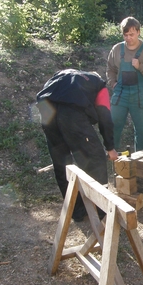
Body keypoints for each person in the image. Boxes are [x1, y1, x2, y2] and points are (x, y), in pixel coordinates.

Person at [36, 69, 119, 221]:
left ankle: (77, 210)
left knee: (62, 163)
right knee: (94, 158)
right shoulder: (99, 84)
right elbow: (105, 116)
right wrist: (110, 147)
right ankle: (99, 208)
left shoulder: (62, 75)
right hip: (71, 113)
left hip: (45, 109)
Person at [107, 17, 143, 152]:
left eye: (131, 34)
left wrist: (140, 66)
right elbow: (110, 69)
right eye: (125, 35)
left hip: (141, 94)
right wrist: (113, 83)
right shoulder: (117, 49)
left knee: (142, 130)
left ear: (138, 32)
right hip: (120, 93)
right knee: (113, 126)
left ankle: (142, 163)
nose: (128, 38)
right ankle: (112, 161)